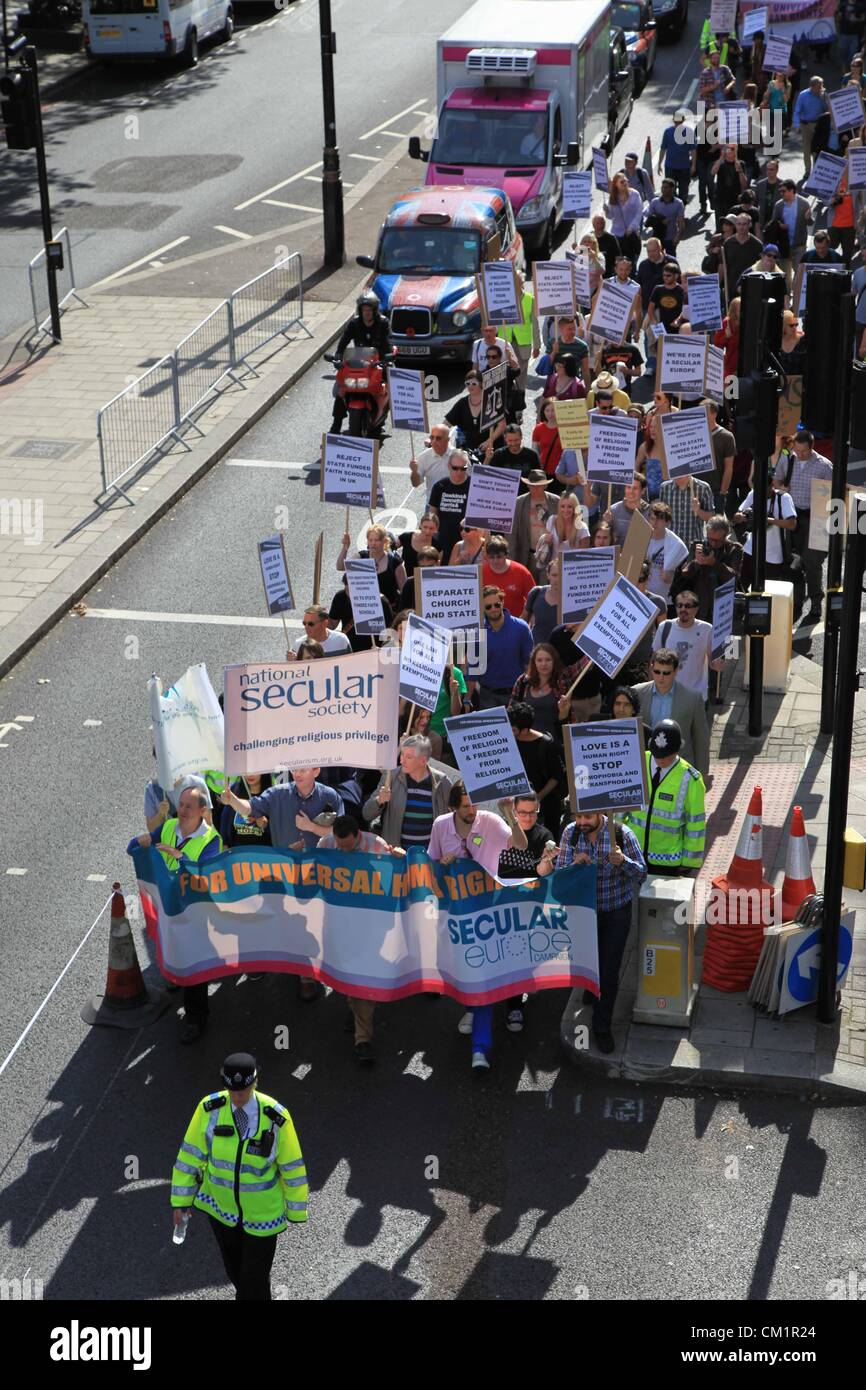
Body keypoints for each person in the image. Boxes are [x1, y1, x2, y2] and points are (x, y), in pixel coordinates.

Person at [171, 1053, 307, 1300]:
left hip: (263, 1214)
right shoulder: (209, 1109)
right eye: (232, 1091)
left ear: (255, 1083)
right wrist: (181, 1202)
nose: (237, 1097)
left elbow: (292, 1166)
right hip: (221, 1211)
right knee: (236, 1272)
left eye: (243, 1090)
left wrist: (296, 1209)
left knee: (253, 1278)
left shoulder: (276, 1117)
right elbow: (189, 1157)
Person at [428, 785, 528, 1069]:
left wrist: (509, 813)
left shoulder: (491, 821)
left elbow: (520, 845)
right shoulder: (440, 827)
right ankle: (470, 1007)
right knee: (462, 969)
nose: (471, 811)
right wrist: (443, 866)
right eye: (464, 807)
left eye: (473, 805)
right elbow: (430, 865)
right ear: (452, 808)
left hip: (487, 913)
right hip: (456, 914)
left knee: (482, 973)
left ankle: (480, 1050)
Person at [131, 785, 222, 1043]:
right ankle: (175, 978)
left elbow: (205, 875)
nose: (181, 810)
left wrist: (179, 856)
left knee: (195, 967)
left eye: (188, 807)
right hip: (169, 908)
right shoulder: (169, 826)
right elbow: (138, 845)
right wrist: (141, 841)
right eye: (180, 805)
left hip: (194, 913)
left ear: (202, 811)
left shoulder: (211, 839)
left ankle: (196, 1018)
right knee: (172, 951)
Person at [557, 810, 646, 1053]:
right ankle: (589, 987)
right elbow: (559, 876)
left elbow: (642, 873)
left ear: (600, 814)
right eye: (578, 818)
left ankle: (602, 1026)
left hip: (615, 912)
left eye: (587, 818)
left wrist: (623, 862)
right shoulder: (571, 834)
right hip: (583, 913)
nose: (582, 823)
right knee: (587, 962)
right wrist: (574, 865)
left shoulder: (622, 835)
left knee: (609, 970)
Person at [316, 815, 401, 1062]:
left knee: (364, 976)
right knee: (347, 971)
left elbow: (395, 877)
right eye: (339, 846)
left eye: (348, 846)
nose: (343, 850)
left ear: (359, 836)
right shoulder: (325, 844)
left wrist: (400, 858)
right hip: (339, 925)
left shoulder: (377, 845)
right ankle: (353, 1007)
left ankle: (362, 1039)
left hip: (370, 926)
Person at [623, 720, 706, 876]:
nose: (660, 760)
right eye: (656, 755)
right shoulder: (636, 763)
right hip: (633, 852)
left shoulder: (691, 779)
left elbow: (695, 824)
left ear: (677, 751)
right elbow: (621, 808)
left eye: (666, 756)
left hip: (667, 861)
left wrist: (689, 862)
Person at [772, 428, 833, 617]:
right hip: (793, 517)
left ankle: (816, 601)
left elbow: (833, 495)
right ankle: (795, 603)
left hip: (816, 519)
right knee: (792, 561)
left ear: (812, 447)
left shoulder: (825, 466)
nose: (800, 454)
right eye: (797, 451)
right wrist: (781, 486)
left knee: (812, 562)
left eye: (804, 451)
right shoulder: (788, 459)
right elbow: (776, 480)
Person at [222, 768, 343, 855]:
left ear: (316, 771)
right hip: (284, 868)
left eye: (302, 770)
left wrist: (312, 827)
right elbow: (249, 808)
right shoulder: (277, 794)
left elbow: (340, 833)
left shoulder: (330, 796)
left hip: (319, 867)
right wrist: (233, 801)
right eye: (294, 770)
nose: (297, 774)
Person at [363, 733, 452, 850]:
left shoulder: (442, 783)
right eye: (402, 755)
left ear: (423, 761)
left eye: (408, 757)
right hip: (396, 856)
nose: (401, 761)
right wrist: (379, 800)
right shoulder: (390, 777)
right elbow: (367, 814)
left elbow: (454, 820)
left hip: (430, 858)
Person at [632, 649, 710, 776]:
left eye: (666, 673)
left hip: (679, 766)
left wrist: (702, 773)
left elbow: (701, 738)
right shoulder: (637, 693)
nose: (661, 677)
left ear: (675, 671)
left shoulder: (693, 698)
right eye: (657, 672)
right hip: (646, 765)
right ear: (651, 668)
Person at [331, 290, 391, 433]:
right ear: (360, 310)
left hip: (378, 362)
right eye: (364, 310)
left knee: (393, 379)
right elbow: (344, 341)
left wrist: (388, 356)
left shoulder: (383, 322)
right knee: (342, 388)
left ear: (374, 310)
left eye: (369, 310)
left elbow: (388, 342)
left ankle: (390, 410)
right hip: (359, 363)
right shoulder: (354, 323)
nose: (366, 313)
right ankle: (336, 422)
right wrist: (338, 355)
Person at [470, 584, 534, 709]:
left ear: (503, 602)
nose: (493, 609)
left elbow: (529, 664)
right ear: (482, 608)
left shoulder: (521, 628)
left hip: (516, 694)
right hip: (488, 695)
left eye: (497, 604)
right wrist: (467, 699)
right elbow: (474, 671)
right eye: (488, 607)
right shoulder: (478, 632)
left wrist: (530, 693)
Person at [507, 703, 567, 834]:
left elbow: (556, 777)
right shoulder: (509, 742)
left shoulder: (546, 744)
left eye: (512, 729)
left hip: (546, 806)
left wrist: (536, 799)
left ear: (524, 730)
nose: (509, 732)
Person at [670, 516, 743, 621]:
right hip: (698, 606)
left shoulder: (734, 549)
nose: (713, 544)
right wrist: (697, 561)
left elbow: (734, 578)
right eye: (710, 539)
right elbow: (685, 574)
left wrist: (714, 563)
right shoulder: (697, 546)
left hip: (722, 607)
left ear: (726, 536)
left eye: (718, 541)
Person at [654, 591, 722, 702]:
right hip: (668, 695)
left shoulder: (707, 629)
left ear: (696, 609)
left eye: (688, 606)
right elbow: (654, 660)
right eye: (679, 605)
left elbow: (712, 662)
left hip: (696, 697)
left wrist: (717, 665)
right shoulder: (664, 627)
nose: (683, 609)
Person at [734, 478, 797, 588]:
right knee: (742, 587)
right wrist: (740, 517)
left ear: (772, 485)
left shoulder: (783, 498)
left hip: (773, 555)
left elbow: (792, 524)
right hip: (751, 549)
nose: (759, 493)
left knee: (769, 591)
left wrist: (767, 520)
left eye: (763, 489)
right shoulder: (753, 493)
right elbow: (737, 515)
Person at [508, 643, 572, 741]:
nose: (544, 664)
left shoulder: (561, 683)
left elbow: (564, 720)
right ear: (534, 662)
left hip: (553, 741)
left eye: (548, 660)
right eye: (539, 660)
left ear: (554, 662)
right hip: (525, 741)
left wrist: (564, 711)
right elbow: (511, 712)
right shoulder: (523, 682)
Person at [510, 470, 560, 575]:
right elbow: (512, 532)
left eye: (539, 486)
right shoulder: (519, 502)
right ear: (528, 486)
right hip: (527, 555)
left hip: (551, 554)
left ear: (545, 486)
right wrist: (512, 559)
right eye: (532, 485)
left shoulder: (556, 501)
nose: (535, 489)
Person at [445, 371, 506, 452]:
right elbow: (446, 423)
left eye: (474, 384)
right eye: (467, 383)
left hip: (492, 449)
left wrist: (488, 442)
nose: (470, 386)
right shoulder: (462, 403)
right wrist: (433, 436)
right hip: (471, 450)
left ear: (482, 384)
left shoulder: (492, 401)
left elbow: (502, 425)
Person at [499, 273, 541, 390]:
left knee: (521, 376)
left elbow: (535, 324)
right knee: (504, 375)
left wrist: (537, 346)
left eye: (516, 282)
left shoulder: (529, 299)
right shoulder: (502, 298)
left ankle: (519, 400)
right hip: (505, 343)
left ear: (521, 284)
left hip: (523, 345)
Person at [428, 451, 471, 560]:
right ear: (449, 466)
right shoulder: (440, 486)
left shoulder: (474, 486)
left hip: (467, 542)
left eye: (463, 468)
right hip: (444, 543)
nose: (459, 472)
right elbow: (432, 515)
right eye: (455, 468)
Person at [645, 501, 689, 604]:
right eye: (652, 518)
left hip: (665, 600)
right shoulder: (641, 537)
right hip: (643, 596)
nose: (655, 523)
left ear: (667, 522)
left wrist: (671, 577)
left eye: (659, 519)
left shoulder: (676, 545)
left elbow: (682, 577)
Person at [482, 535, 535, 616]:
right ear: (487, 557)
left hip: (517, 622)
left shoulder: (521, 571)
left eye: (499, 557)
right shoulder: (480, 573)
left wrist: (524, 620)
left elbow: (533, 599)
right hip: (489, 624)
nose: (495, 561)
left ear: (506, 555)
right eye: (492, 557)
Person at [220, 773, 274, 848]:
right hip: (237, 850)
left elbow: (279, 826)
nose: (250, 775)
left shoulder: (272, 793)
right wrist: (224, 842)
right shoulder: (235, 789)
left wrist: (266, 825)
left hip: (264, 851)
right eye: (246, 770)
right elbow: (225, 818)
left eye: (255, 770)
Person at [772, 179, 813, 277]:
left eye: (784, 191)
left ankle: (797, 292)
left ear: (792, 191)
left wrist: (808, 218)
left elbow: (810, 223)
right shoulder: (779, 205)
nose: (781, 193)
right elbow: (773, 223)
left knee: (800, 273)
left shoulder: (803, 204)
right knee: (784, 275)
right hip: (784, 246)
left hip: (799, 245)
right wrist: (779, 225)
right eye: (780, 191)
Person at [521, 555, 563, 645]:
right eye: (554, 575)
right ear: (548, 575)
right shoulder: (536, 592)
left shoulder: (573, 599)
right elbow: (522, 623)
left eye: (561, 575)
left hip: (561, 654)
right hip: (537, 652)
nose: (558, 579)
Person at [540, 491, 590, 565]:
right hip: (553, 569)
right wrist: (546, 540)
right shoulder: (552, 520)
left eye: (569, 507)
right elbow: (547, 546)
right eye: (562, 506)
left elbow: (584, 556)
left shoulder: (582, 528)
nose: (565, 510)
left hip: (572, 569)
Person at [604, 172, 644, 263]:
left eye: (626, 181)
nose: (625, 183)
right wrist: (607, 211)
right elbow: (611, 216)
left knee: (631, 261)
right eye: (622, 182)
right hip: (617, 234)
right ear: (616, 184)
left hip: (631, 234)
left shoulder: (635, 194)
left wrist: (632, 227)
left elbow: (639, 213)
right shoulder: (613, 198)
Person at [722, 214, 762, 302]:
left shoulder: (757, 245)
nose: (741, 227)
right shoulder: (728, 243)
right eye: (739, 224)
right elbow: (723, 266)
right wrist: (720, 285)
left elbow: (761, 267)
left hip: (750, 286)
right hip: (731, 286)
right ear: (735, 225)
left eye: (744, 224)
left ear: (750, 225)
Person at [792, 76, 828, 177]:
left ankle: (817, 170)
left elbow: (827, 109)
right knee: (807, 149)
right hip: (806, 124)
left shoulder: (823, 95)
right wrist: (796, 124)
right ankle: (808, 170)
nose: (821, 88)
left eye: (822, 86)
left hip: (818, 124)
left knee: (817, 148)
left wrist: (823, 99)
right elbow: (797, 110)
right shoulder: (803, 95)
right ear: (812, 86)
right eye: (819, 86)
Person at [658, 110, 694, 205]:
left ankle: (680, 214)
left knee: (683, 193)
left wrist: (693, 165)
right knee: (670, 193)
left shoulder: (688, 132)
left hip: (684, 167)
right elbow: (663, 148)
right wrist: (659, 164)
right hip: (671, 167)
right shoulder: (668, 132)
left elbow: (693, 150)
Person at [410, 425, 455, 499]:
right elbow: (415, 484)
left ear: (447, 440)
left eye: (438, 438)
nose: (433, 441)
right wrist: (414, 471)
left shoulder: (458, 456)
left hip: (453, 504)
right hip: (432, 504)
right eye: (432, 437)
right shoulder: (424, 457)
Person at [607, 474, 650, 546]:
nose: (631, 491)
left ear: (643, 491)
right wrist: (606, 523)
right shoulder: (613, 510)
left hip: (642, 555)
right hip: (618, 555)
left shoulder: (650, 512)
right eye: (628, 487)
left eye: (635, 488)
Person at [646, 179, 685, 254]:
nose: (663, 189)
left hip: (671, 238)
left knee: (671, 261)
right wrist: (660, 219)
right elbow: (649, 219)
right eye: (662, 187)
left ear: (672, 189)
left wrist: (678, 237)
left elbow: (681, 222)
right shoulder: (655, 202)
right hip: (657, 237)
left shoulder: (678, 203)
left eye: (666, 187)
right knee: (657, 260)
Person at [398, 513, 440, 578]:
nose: (427, 531)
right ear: (420, 525)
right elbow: (389, 548)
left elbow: (438, 567)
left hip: (425, 581)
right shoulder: (407, 537)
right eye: (425, 527)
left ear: (436, 529)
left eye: (431, 528)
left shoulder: (438, 546)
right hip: (405, 580)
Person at [647, 261, 685, 333]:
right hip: (661, 328)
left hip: (677, 328)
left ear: (676, 276)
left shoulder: (681, 290)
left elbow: (685, 309)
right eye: (664, 275)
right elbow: (650, 308)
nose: (665, 277)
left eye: (668, 275)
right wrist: (655, 323)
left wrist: (678, 320)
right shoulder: (658, 289)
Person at [753, 158, 783, 232]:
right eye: (767, 169)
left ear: (777, 170)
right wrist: (756, 221)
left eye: (771, 169)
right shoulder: (760, 184)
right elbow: (755, 204)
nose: (769, 171)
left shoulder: (782, 185)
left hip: (777, 221)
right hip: (762, 220)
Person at [592, 213, 621, 277]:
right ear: (593, 224)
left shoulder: (611, 238)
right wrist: (576, 248)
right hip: (592, 275)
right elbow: (581, 254)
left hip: (607, 274)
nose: (600, 225)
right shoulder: (589, 238)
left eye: (602, 223)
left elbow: (618, 256)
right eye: (597, 223)